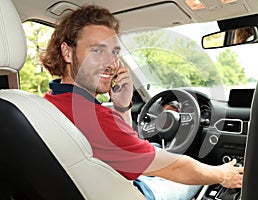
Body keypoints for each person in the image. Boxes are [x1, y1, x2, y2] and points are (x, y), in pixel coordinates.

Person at [40, 5, 243, 200]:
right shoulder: (92, 118)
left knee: (156, 147)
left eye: (115, 52)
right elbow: (176, 168)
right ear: (67, 52)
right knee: (201, 178)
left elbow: (121, 149)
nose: (111, 64)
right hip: (134, 193)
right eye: (97, 51)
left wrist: (121, 106)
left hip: (104, 185)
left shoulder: (48, 104)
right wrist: (222, 174)